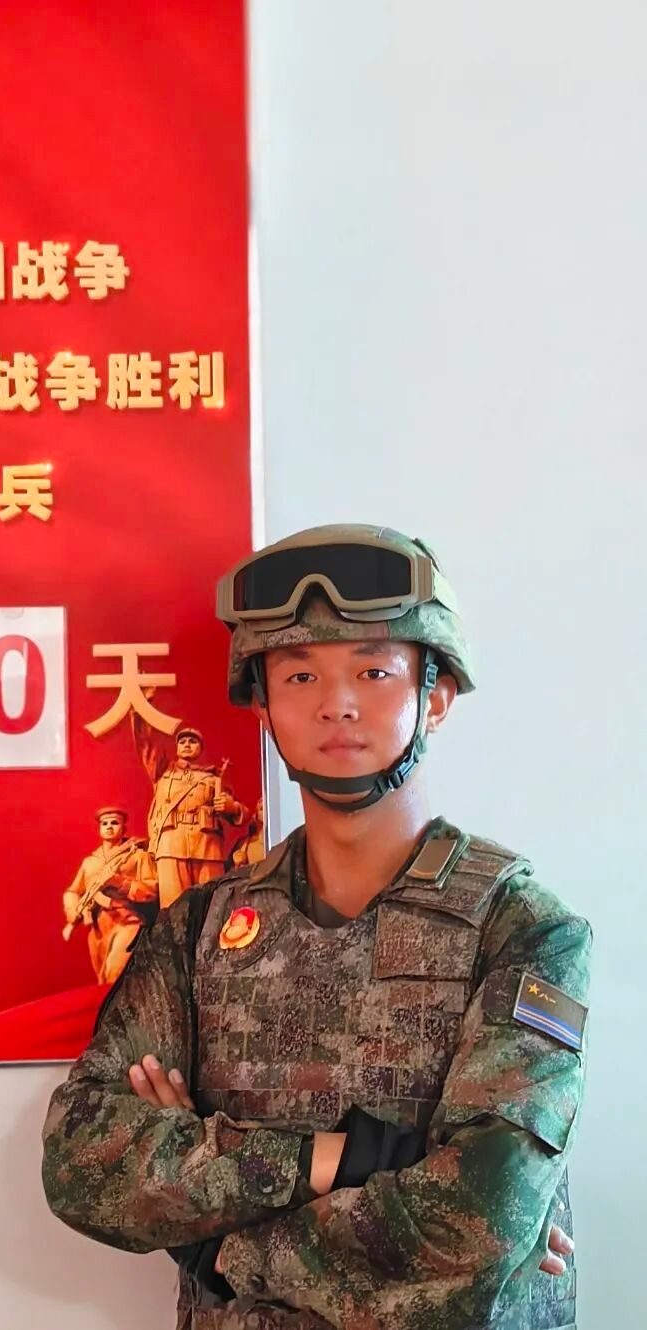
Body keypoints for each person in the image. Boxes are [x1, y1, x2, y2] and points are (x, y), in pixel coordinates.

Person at [42, 524, 590, 1329]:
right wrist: (350, 1158)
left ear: (435, 698)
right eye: (300, 674)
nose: (337, 703)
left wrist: (215, 1245)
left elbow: (479, 1220)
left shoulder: (523, 928)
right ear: (265, 709)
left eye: (374, 671)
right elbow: (84, 1161)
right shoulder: (196, 933)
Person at [133, 713, 245, 909]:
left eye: (192, 742)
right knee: (173, 908)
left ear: (201, 748)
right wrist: (141, 712)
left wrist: (231, 807)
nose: (186, 744)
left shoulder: (213, 778)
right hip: (170, 846)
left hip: (207, 847)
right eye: (182, 741)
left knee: (211, 907)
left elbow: (239, 811)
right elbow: (147, 745)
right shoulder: (162, 773)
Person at [62, 806, 159, 985]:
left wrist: (120, 882)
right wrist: (73, 909)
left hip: (127, 921)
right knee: (104, 981)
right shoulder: (90, 862)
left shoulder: (137, 855)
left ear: (123, 828)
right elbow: (73, 891)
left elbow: (152, 890)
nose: (109, 826)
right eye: (104, 823)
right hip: (98, 928)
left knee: (115, 972)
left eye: (114, 823)